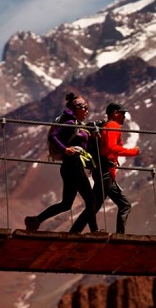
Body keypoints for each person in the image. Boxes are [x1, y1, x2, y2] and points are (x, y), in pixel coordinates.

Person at [25, 93, 99, 233]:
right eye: (85, 108)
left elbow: (82, 144)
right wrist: (65, 149)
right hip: (73, 165)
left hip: (69, 166)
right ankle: (94, 232)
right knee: (91, 199)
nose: (87, 111)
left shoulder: (77, 124)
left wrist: (92, 135)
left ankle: (35, 221)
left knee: (66, 204)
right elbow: (53, 136)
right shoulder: (70, 122)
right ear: (77, 108)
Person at [71, 102, 140, 234]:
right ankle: (73, 232)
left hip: (105, 173)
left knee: (124, 205)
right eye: (123, 113)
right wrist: (134, 151)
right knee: (94, 206)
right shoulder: (113, 126)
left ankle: (119, 236)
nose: (124, 116)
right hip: (105, 172)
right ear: (115, 113)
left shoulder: (106, 126)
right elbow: (111, 147)